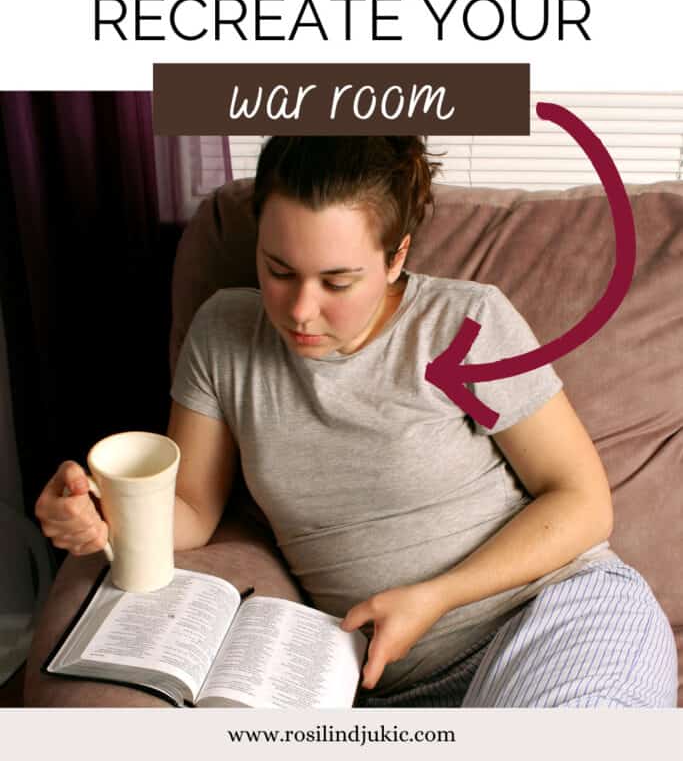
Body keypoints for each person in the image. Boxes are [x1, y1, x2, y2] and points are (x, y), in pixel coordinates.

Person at [35, 136, 677, 707]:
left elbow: (583, 500)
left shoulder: (462, 328)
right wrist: (99, 508)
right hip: (386, 683)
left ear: (396, 256)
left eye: (337, 281)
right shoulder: (225, 337)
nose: (301, 311)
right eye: (278, 270)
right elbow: (193, 511)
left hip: (555, 614)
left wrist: (436, 596)